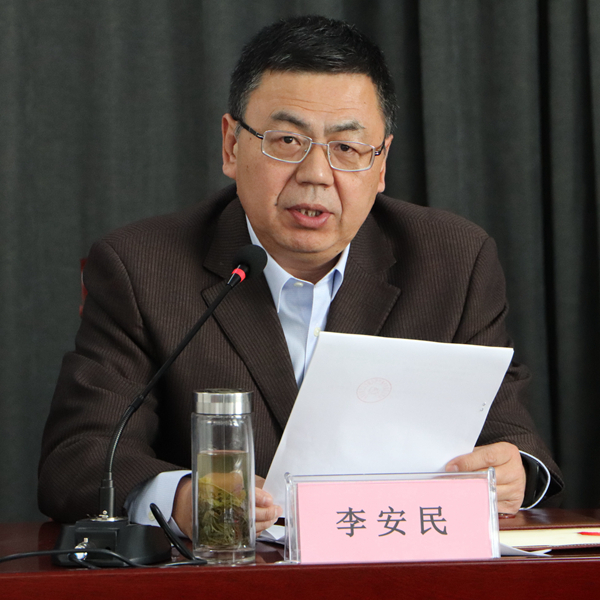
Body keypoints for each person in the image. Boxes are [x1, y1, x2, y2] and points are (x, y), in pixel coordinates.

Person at [38, 15, 563, 539]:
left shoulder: (453, 260)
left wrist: (513, 471)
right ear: (231, 146)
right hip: (230, 570)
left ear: (381, 164)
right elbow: (79, 457)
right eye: (287, 141)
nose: (315, 175)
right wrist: (182, 499)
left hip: (395, 560)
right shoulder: (143, 266)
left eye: (347, 148)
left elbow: (510, 435)